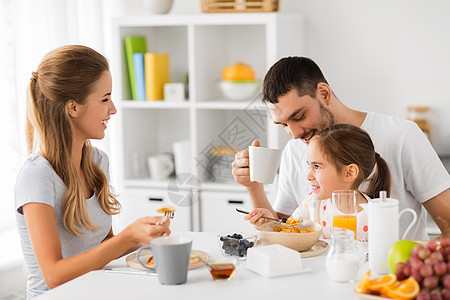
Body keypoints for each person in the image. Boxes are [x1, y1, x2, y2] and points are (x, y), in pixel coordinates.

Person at [232, 56, 450, 240]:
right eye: (284, 125)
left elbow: (448, 224)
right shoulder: (295, 149)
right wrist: (253, 187)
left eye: (299, 116)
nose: (295, 134)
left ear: (324, 94)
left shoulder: (402, 136)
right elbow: (285, 229)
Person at [15, 45, 171, 299]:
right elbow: (54, 275)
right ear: (73, 107)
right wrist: (127, 236)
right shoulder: (38, 176)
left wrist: (139, 238)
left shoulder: (97, 162)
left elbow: (101, 248)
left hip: (95, 290)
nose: (113, 109)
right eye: (105, 99)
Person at [245, 124, 391, 241]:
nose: (309, 176)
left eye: (317, 166)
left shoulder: (373, 217)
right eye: (309, 166)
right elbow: (287, 232)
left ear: (349, 173)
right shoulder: (313, 203)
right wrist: (269, 223)